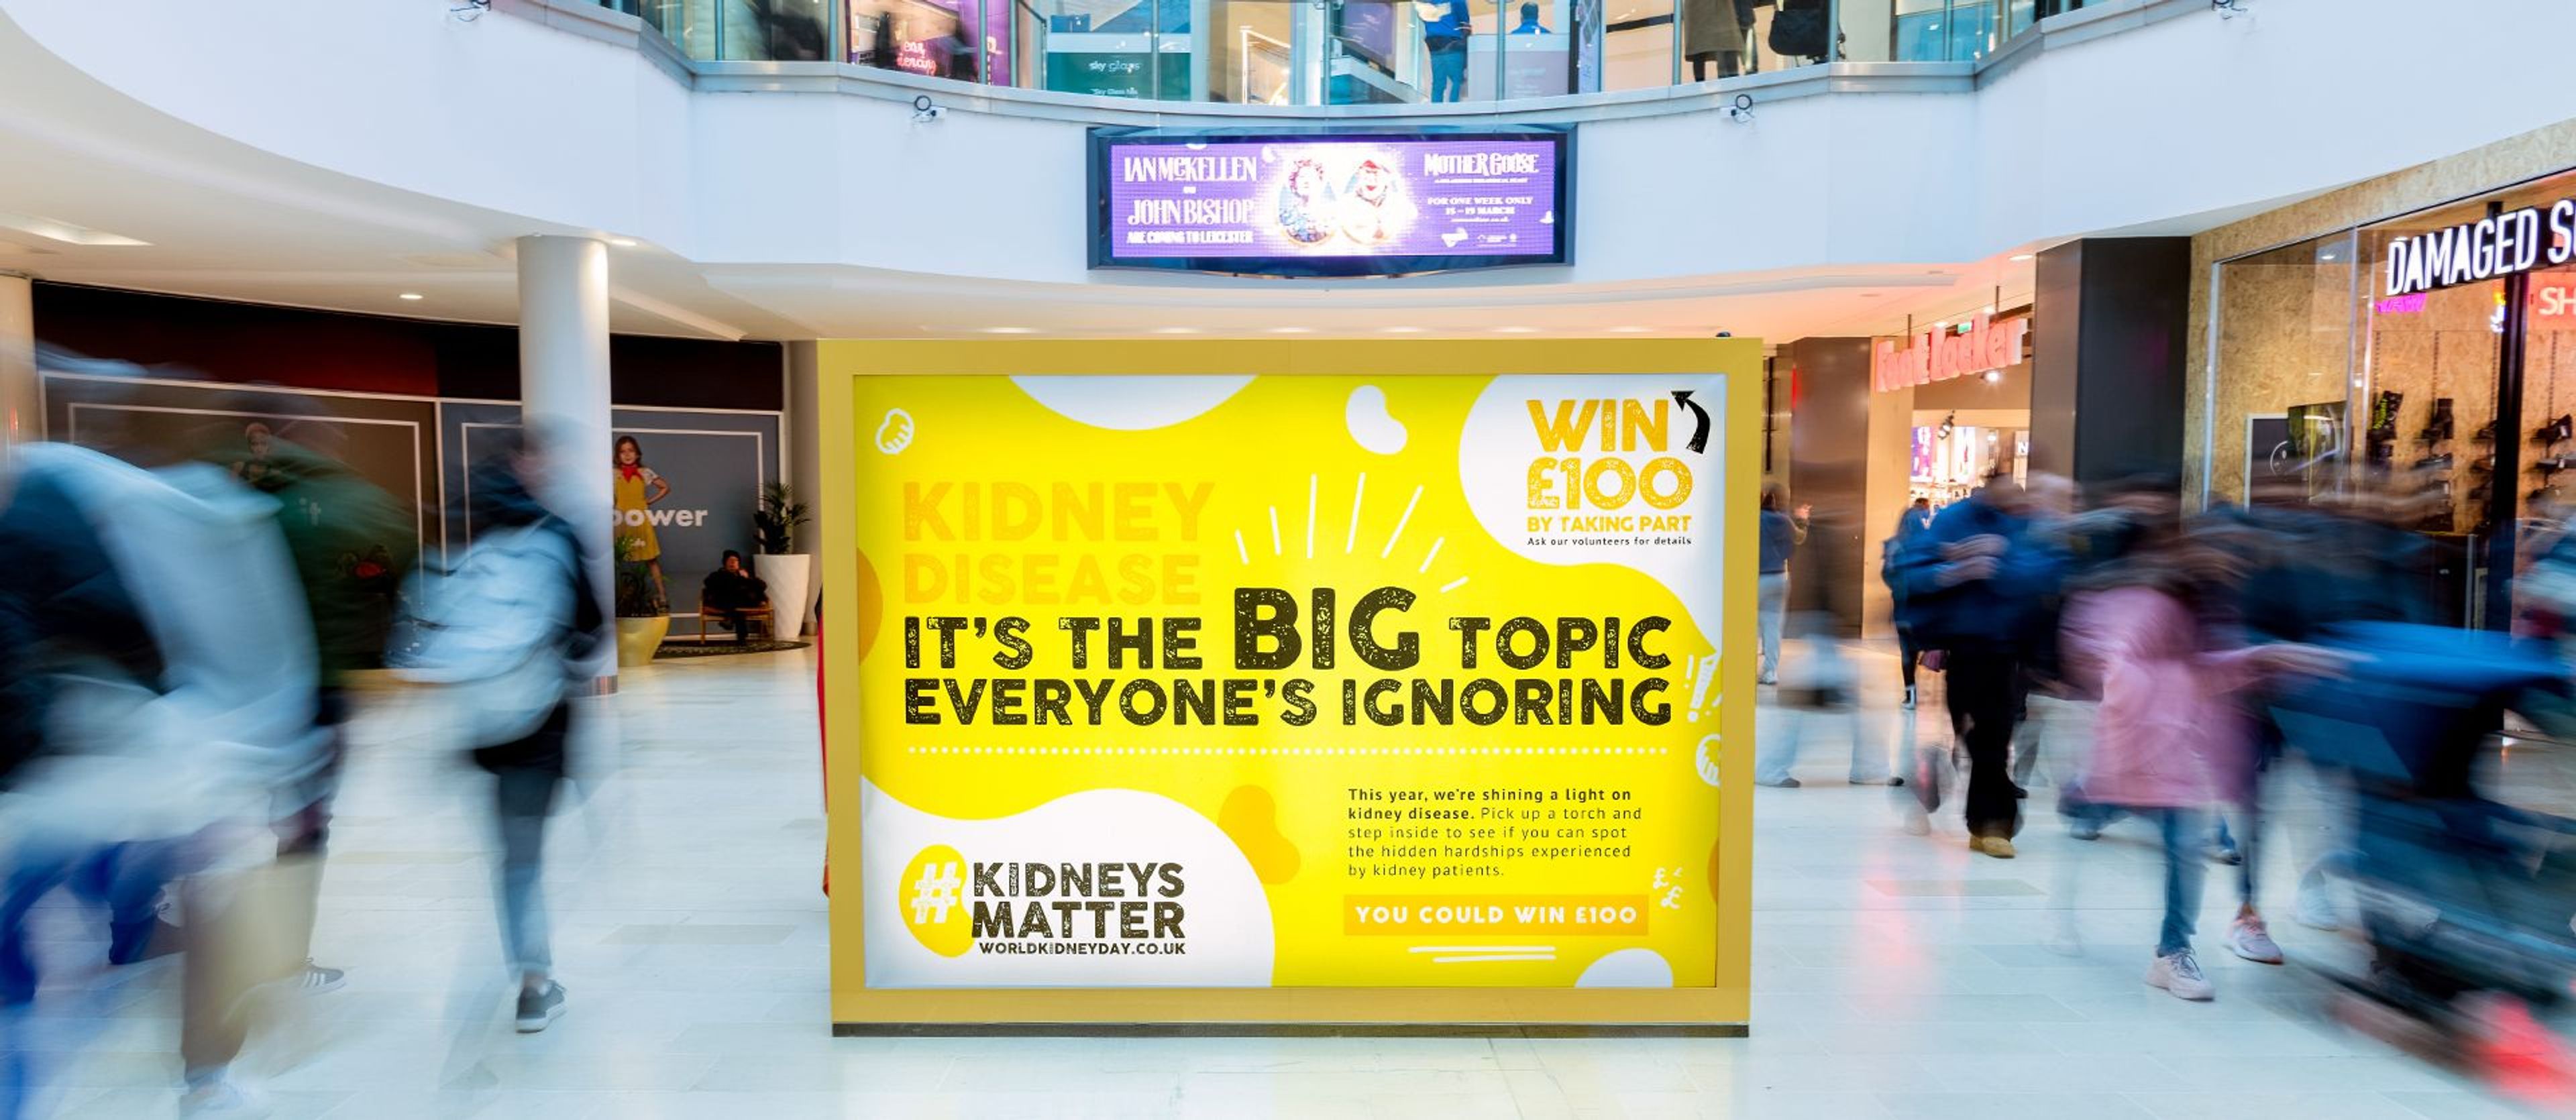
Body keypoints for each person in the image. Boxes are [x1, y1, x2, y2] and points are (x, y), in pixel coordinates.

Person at [0, 436, 329, 1115]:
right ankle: (204, 1077)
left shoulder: (53, 495)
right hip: (112, 761)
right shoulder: (85, 495)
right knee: (196, 896)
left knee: (86, 909)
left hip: (75, 769)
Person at [2057, 488, 2340, 1001]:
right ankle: (2088, 799)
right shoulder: (2142, 603)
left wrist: (2269, 658)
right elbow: (2123, 676)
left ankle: (2171, 952)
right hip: (2141, 751)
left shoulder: (2196, 604)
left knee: (2183, 849)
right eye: (2221, 550)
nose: (2230, 562)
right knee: (2145, 822)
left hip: (2174, 758)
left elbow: (2201, 673)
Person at [417, 437, 602, 1034]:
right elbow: (592, 630)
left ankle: (533, 978)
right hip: (540, 724)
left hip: (486, 726)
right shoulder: (557, 536)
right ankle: (534, 986)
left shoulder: (467, 535)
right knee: (525, 857)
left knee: (514, 859)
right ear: (532, 469)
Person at [1900, 471, 2061, 858]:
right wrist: (1953, 568)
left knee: (1992, 739)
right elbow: (1912, 572)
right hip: (1964, 648)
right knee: (1971, 736)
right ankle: (1937, 782)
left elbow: (2046, 575)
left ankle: (1992, 824)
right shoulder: (1954, 519)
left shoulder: (2026, 526)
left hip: (2008, 651)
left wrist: (1998, 561)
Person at [611, 435, 669, 616]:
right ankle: (616, 600)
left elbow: (665, 487)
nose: (627, 455)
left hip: (640, 518)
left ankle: (662, 597)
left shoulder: (645, 472)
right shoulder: (612, 473)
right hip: (620, 520)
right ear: (618, 455)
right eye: (623, 452)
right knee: (616, 560)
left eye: (631, 451)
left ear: (637, 454)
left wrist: (648, 502)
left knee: (651, 559)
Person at [1756, 486, 1807, 685]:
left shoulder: (1755, 518)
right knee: (1772, 627)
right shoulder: (1785, 520)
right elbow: (1800, 537)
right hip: (1779, 577)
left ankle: (1743, 666)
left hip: (1756, 577)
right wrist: (1803, 519)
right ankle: (1770, 672)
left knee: (1750, 624)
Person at [1886, 497, 1935, 708]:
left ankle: (1910, 695)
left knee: (1907, 653)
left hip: (1903, 606)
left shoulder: (1895, 545)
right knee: (1922, 645)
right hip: (1924, 607)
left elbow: (1887, 573)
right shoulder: (1928, 545)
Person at [701, 550, 770, 645]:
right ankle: (742, 637)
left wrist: (747, 579)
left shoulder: (744, 575)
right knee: (737, 608)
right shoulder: (718, 575)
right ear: (725, 563)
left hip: (742, 601)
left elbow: (763, 586)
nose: (733, 563)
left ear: (739, 564)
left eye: (735, 561)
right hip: (723, 601)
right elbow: (708, 583)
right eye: (730, 560)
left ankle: (729, 619)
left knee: (737, 604)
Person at [1417, 0, 1472, 103]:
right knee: (1457, 79)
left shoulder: (1426, 2)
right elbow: (1465, 24)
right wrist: (1465, 42)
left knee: (1438, 82)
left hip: (1433, 42)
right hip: (1451, 41)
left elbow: (1423, 16)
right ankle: (1453, 109)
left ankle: (1436, 110)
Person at [1680, 0, 1749, 81]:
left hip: (1721, 9)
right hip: (1700, 10)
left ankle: (1730, 81)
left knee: (1726, 46)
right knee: (1700, 49)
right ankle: (1700, 85)